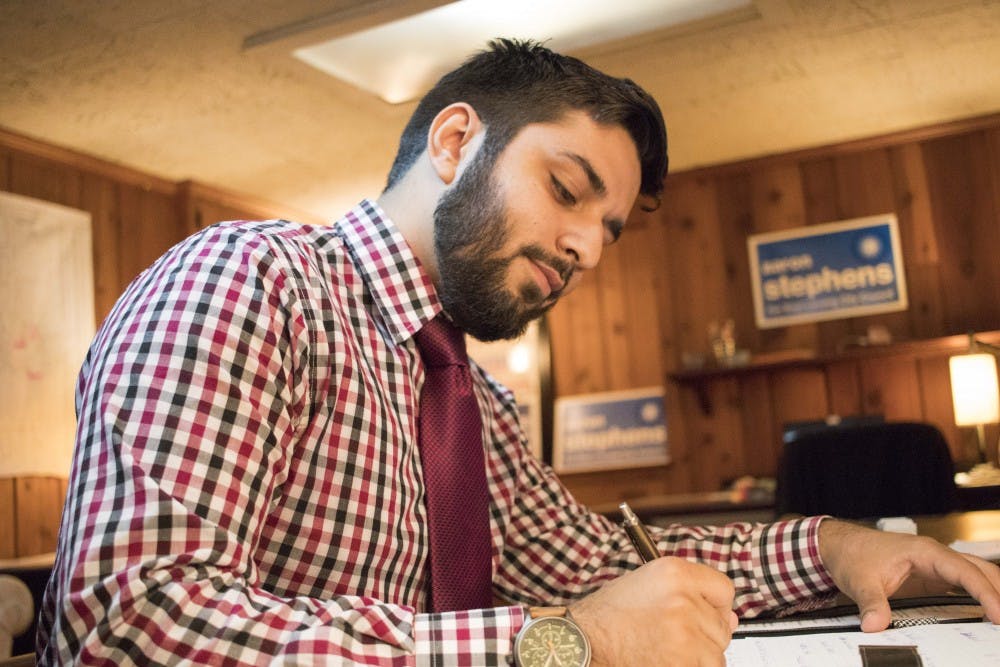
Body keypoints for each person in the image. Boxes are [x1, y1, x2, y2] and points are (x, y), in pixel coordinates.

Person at [37, 38, 1000, 666]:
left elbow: (599, 566)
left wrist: (839, 545)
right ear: (456, 139)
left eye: (608, 231)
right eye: (567, 187)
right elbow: (126, 626)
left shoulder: (471, 399)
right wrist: (560, 644)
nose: (586, 246)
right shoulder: (246, 280)